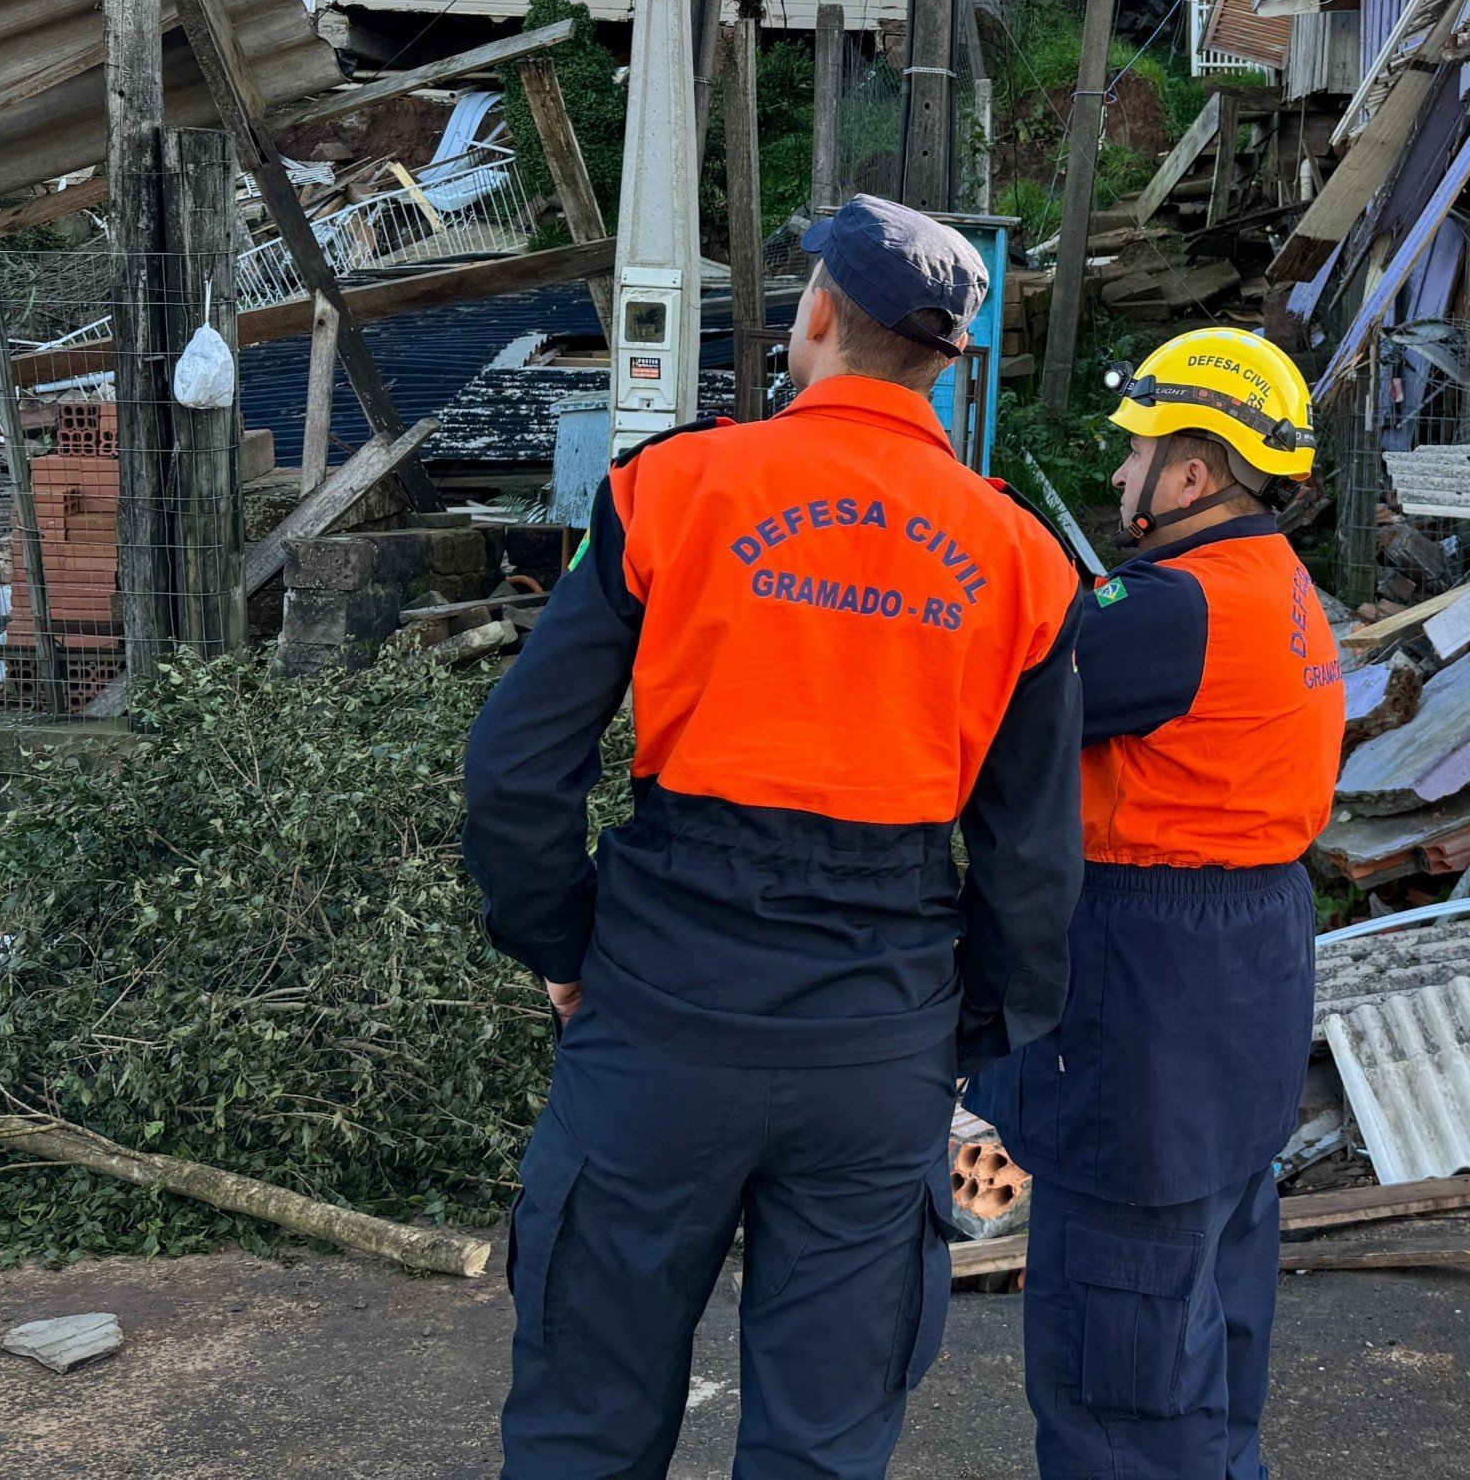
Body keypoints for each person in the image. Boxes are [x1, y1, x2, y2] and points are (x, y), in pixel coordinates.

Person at [463, 194, 1087, 1479]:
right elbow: (1032, 868)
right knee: (822, 1440)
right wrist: (951, 1030)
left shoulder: (672, 490)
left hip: (657, 1020)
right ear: (950, 363)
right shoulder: (1024, 565)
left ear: (815, 319)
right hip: (876, 1045)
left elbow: (518, 769)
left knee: (585, 1421)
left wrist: (566, 948)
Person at [965, 327, 1345, 1480]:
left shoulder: (1174, 608)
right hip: (1240, 984)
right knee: (1213, 1340)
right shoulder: (1276, 588)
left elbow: (1000, 708)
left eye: (1136, 454)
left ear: (1193, 473)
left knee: (1117, 1369)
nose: (1119, 474)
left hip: (1149, 994)